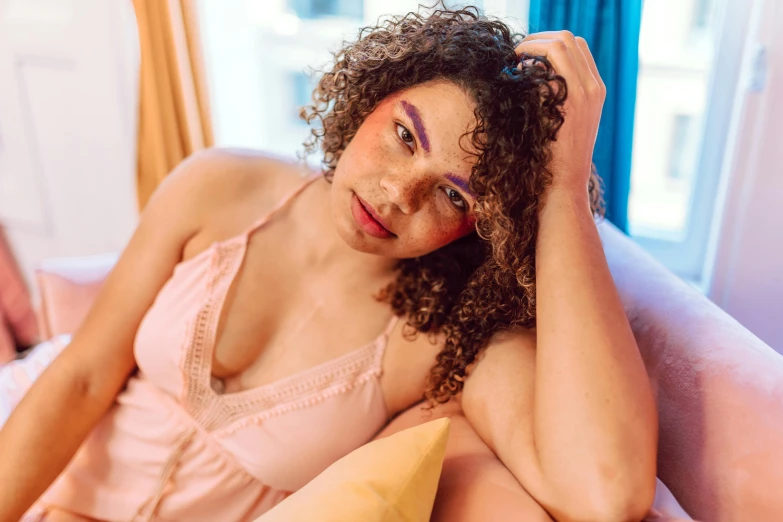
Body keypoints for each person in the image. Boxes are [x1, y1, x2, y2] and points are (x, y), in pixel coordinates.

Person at [0, 5, 671, 521]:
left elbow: (603, 492)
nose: (396, 193)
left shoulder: (446, 343)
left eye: (451, 193)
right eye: (405, 136)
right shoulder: (220, 185)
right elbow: (83, 378)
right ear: (375, 93)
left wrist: (560, 188)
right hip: (41, 478)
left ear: (483, 224)